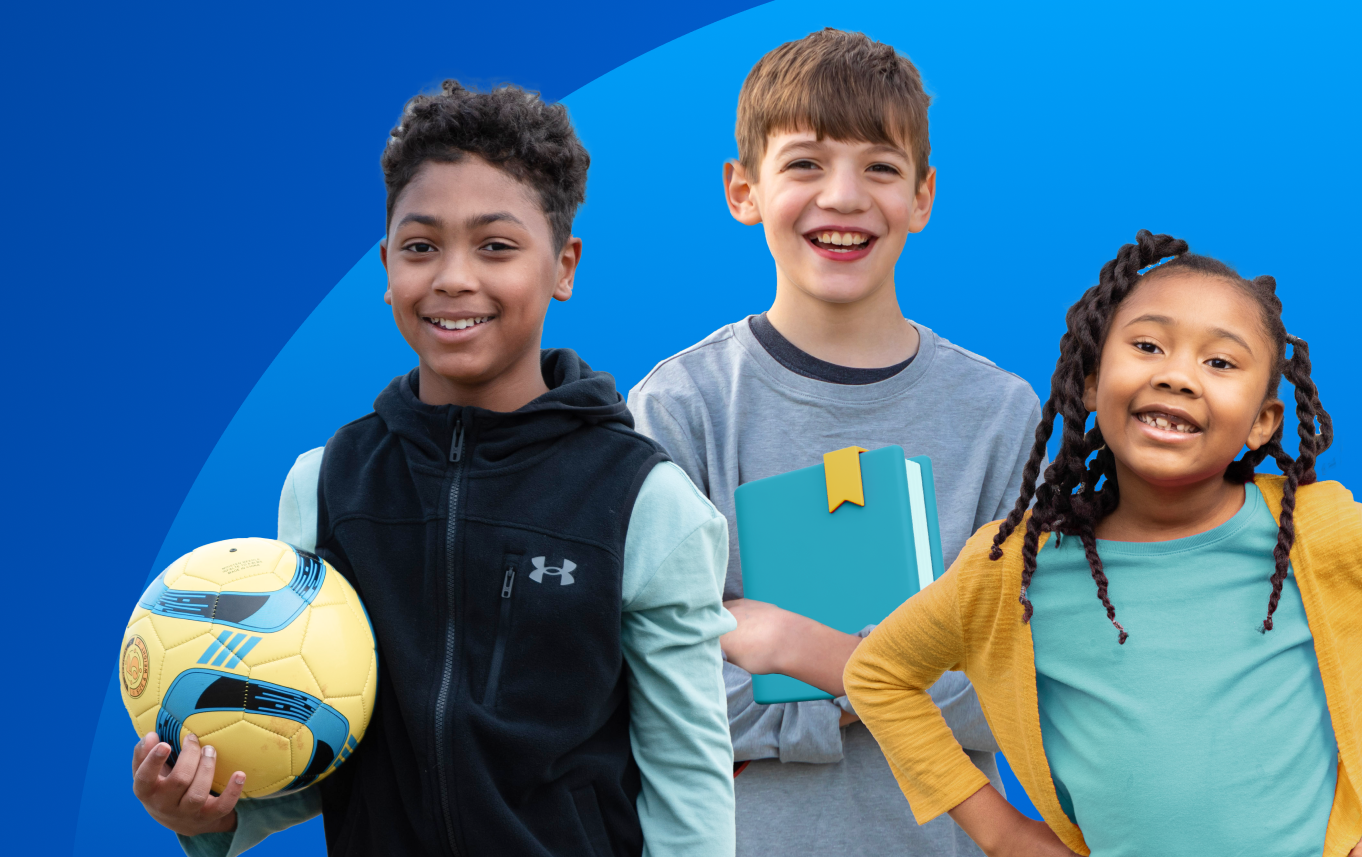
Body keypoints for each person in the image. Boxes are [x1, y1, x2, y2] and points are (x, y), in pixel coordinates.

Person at [128, 80, 738, 857]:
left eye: (495, 245)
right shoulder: (327, 485)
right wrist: (204, 808)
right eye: (422, 246)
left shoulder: (643, 501)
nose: (453, 277)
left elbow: (688, 779)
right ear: (387, 267)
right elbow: (313, 744)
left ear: (564, 265)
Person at [626, 28, 1041, 855]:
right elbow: (657, 684)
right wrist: (901, 680)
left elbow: (1022, 687)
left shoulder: (1001, 418)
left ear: (923, 196)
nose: (844, 196)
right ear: (742, 189)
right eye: (806, 163)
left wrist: (791, 646)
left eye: (880, 167)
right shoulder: (681, 407)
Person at [846, 231, 1362, 857]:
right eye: (1147, 345)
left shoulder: (1325, 533)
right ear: (1090, 383)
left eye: (1220, 362)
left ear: (1262, 422)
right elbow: (878, 674)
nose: (1177, 376)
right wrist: (1004, 834)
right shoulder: (1014, 570)